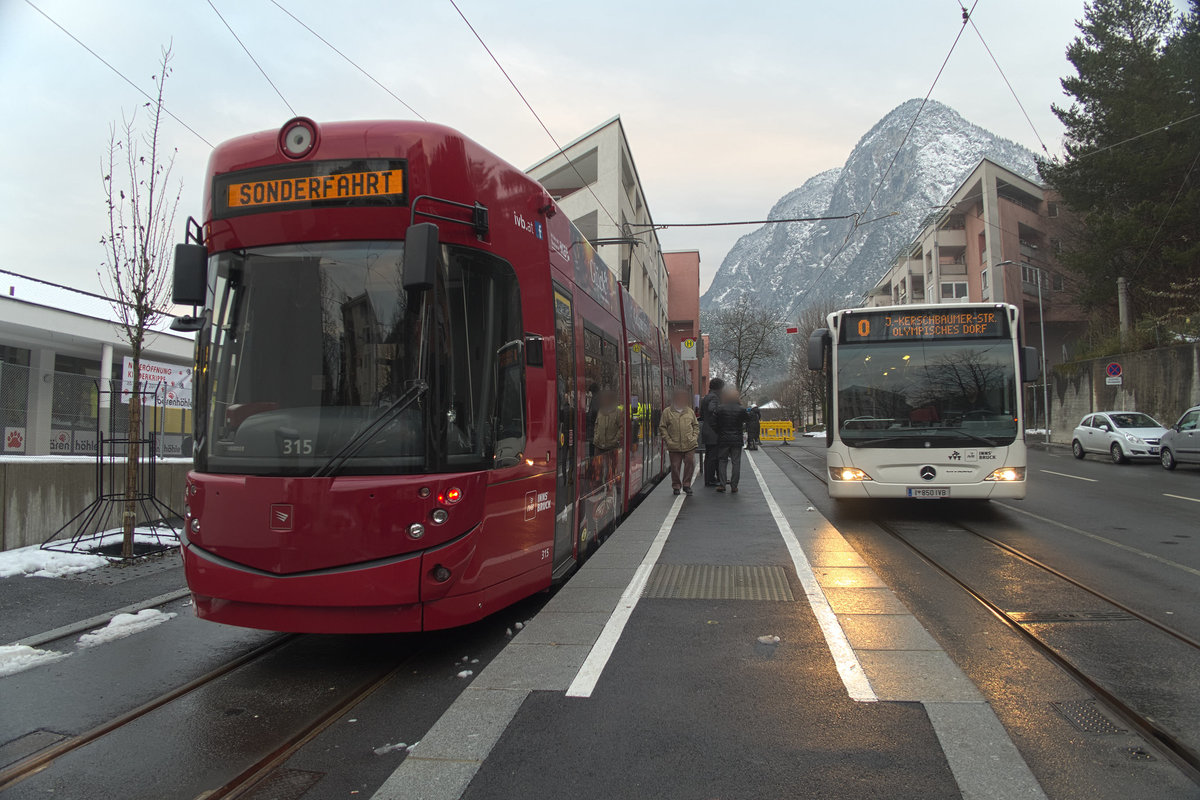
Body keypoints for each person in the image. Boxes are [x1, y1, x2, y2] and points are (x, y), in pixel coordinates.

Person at [659, 387, 700, 495]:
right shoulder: (667, 412)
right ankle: (676, 486)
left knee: (690, 464)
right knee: (675, 467)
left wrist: (694, 437)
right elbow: (662, 427)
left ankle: (687, 485)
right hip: (674, 445)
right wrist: (668, 440)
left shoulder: (689, 411)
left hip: (689, 444)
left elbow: (696, 425)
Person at [713, 387, 750, 493]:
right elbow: (747, 420)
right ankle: (734, 485)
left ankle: (722, 484)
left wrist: (718, 431)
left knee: (722, 461)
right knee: (736, 462)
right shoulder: (741, 409)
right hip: (737, 439)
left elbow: (713, 422)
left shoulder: (720, 408)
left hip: (723, 438)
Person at [699, 378, 725, 487]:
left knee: (709, 456)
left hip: (707, 430)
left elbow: (702, 414)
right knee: (713, 457)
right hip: (713, 431)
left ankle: (710, 478)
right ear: (719, 388)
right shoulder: (714, 397)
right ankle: (710, 479)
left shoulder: (706, 397)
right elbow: (712, 409)